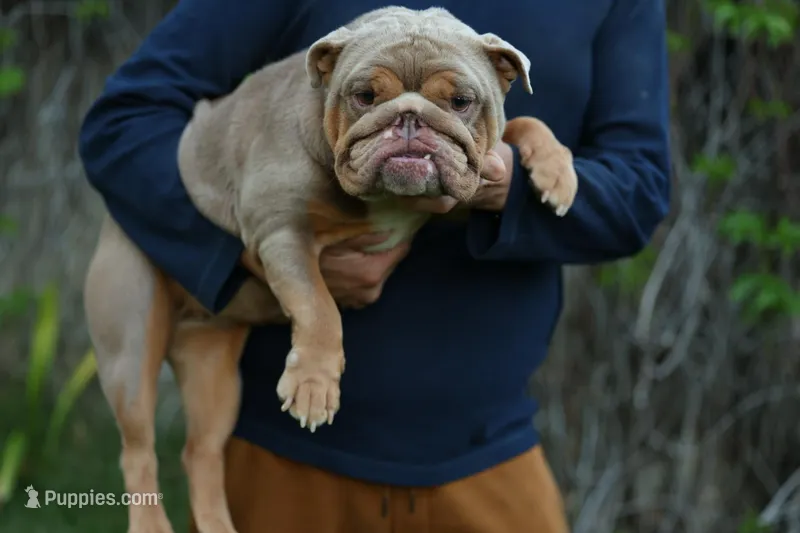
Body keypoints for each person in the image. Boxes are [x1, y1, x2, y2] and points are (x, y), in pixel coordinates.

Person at [78, 0, 670, 531]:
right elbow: (123, 122)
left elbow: (639, 192)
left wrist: (506, 185)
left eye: (456, 103)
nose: (411, 127)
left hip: (490, 451)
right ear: (324, 70)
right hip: (282, 448)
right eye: (369, 97)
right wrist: (236, 261)